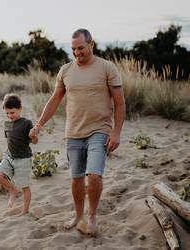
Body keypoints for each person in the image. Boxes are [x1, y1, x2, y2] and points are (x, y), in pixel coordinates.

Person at [29, 29, 126, 236]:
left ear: (92, 44)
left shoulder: (107, 68)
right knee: (76, 178)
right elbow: (55, 100)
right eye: (73, 49)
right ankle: (78, 215)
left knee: (94, 174)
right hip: (73, 132)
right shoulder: (65, 71)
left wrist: (116, 132)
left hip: (99, 130)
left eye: (80, 48)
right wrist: (38, 125)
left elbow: (119, 102)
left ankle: (91, 217)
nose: (76, 52)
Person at [0, 94, 38, 216]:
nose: (9, 116)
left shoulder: (26, 123)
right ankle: (12, 191)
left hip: (23, 159)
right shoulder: (7, 124)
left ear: (20, 108)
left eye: (12, 113)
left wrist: (33, 136)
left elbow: (34, 141)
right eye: (7, 113)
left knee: (25, 186)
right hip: (9, 157)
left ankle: (25, 210)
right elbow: (10, 140)